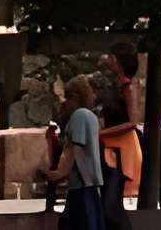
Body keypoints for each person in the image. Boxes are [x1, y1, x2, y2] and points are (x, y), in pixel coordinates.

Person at [45, 77, 104, 230]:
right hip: (89, 183)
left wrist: (59, 174)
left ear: (76, 97)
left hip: (81, 185)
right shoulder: (90, 117)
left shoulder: (79, 115)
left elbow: (75, 150)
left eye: (68, 98)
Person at [96, 46, 140, 229]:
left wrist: (103, 134)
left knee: (111, 203)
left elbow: (133, 121)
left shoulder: (126, 87)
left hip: (120, 151)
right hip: (110, 149)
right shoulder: (114, 85)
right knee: (108, 199)